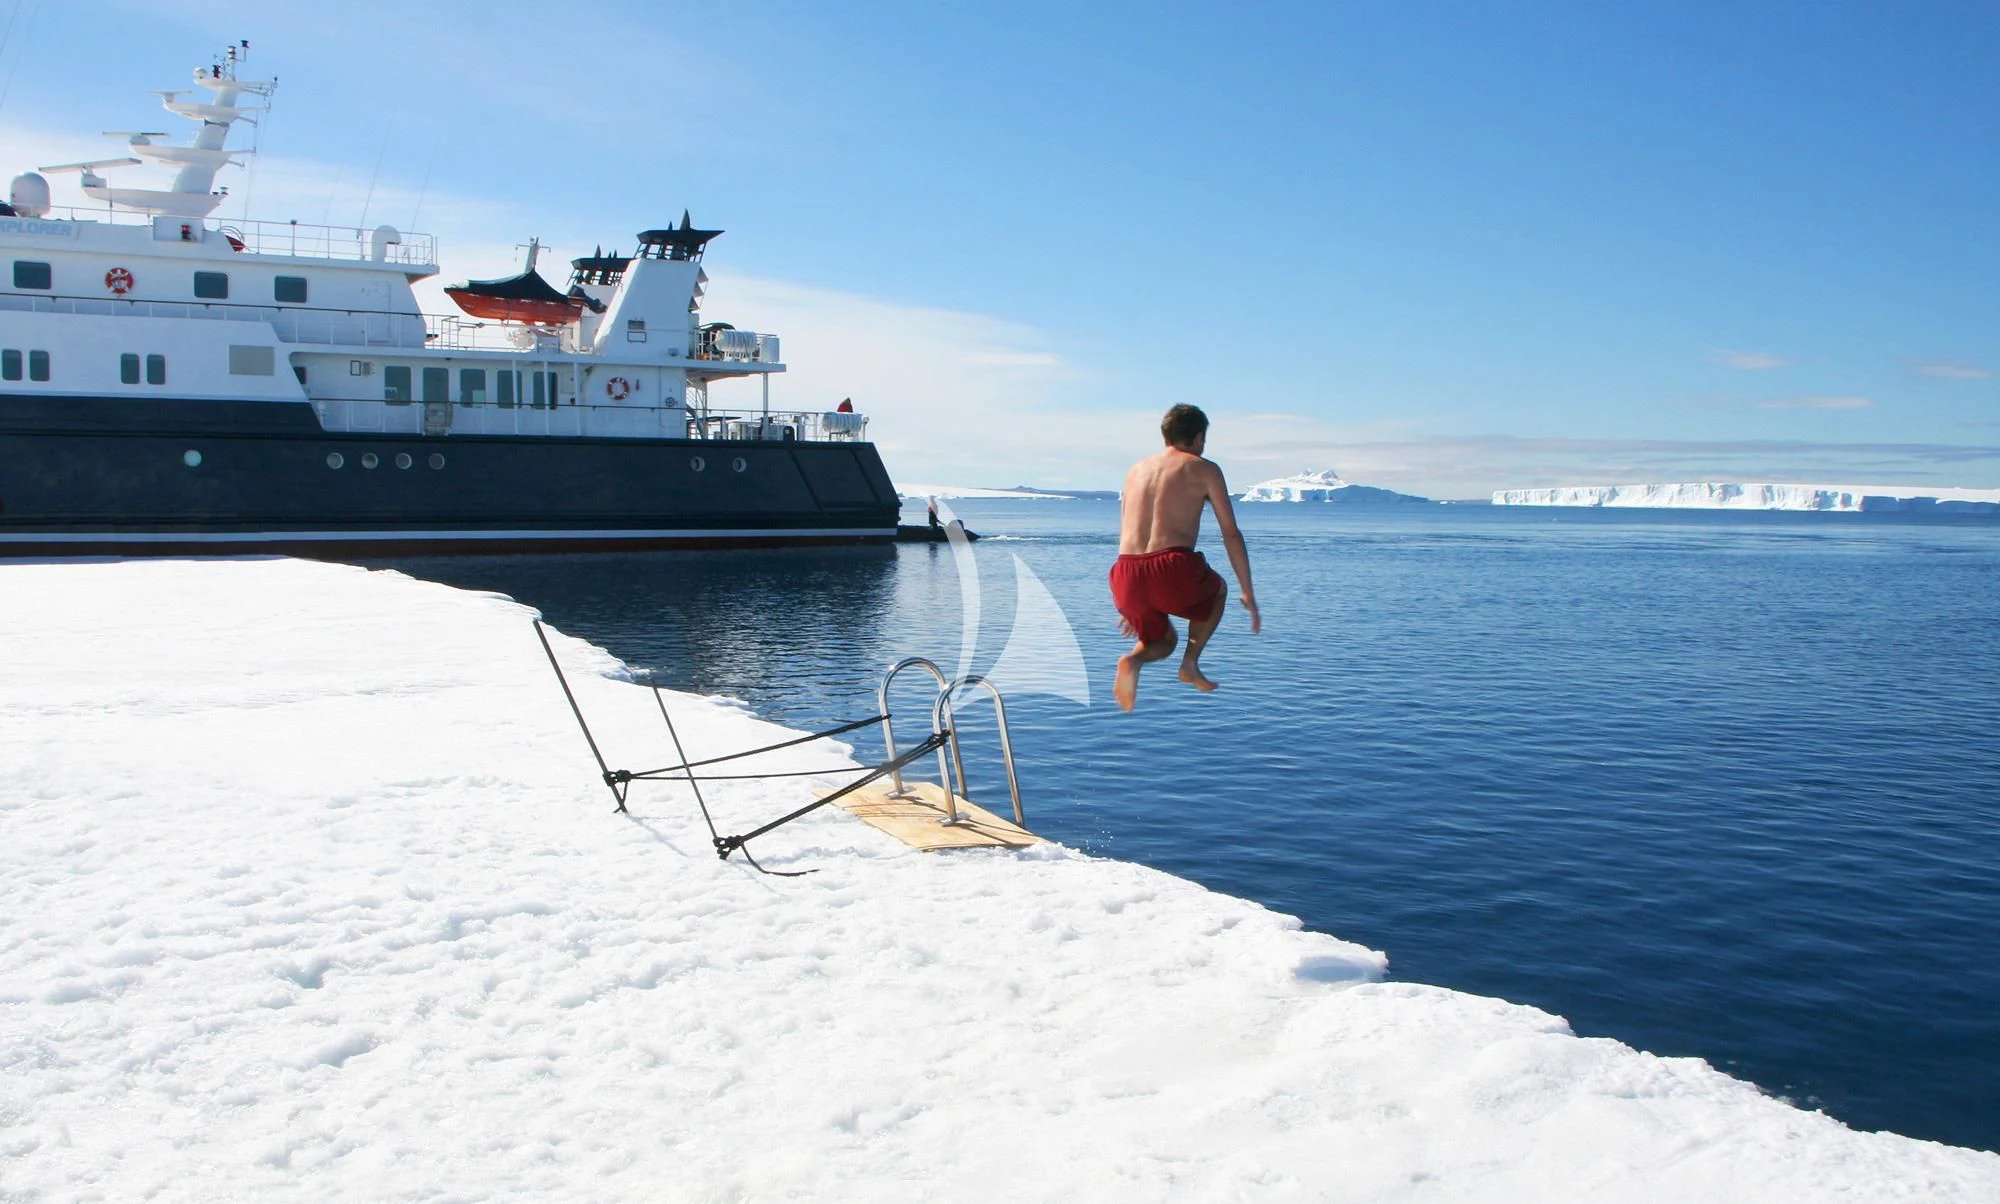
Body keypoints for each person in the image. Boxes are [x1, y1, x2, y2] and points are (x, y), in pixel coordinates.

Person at [1109, 404, 1259, 711]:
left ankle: (1133, 661)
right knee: (1218, 590)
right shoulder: (1204, 468)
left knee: (1162, 642)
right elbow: (1230, 532)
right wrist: (1248, 591)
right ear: (1199, 437)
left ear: (1165, 434)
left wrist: (1130, 599)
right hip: (1171, 564)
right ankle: (1190, 664)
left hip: (1125, 572)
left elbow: (1125, 530)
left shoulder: (1135, 470)